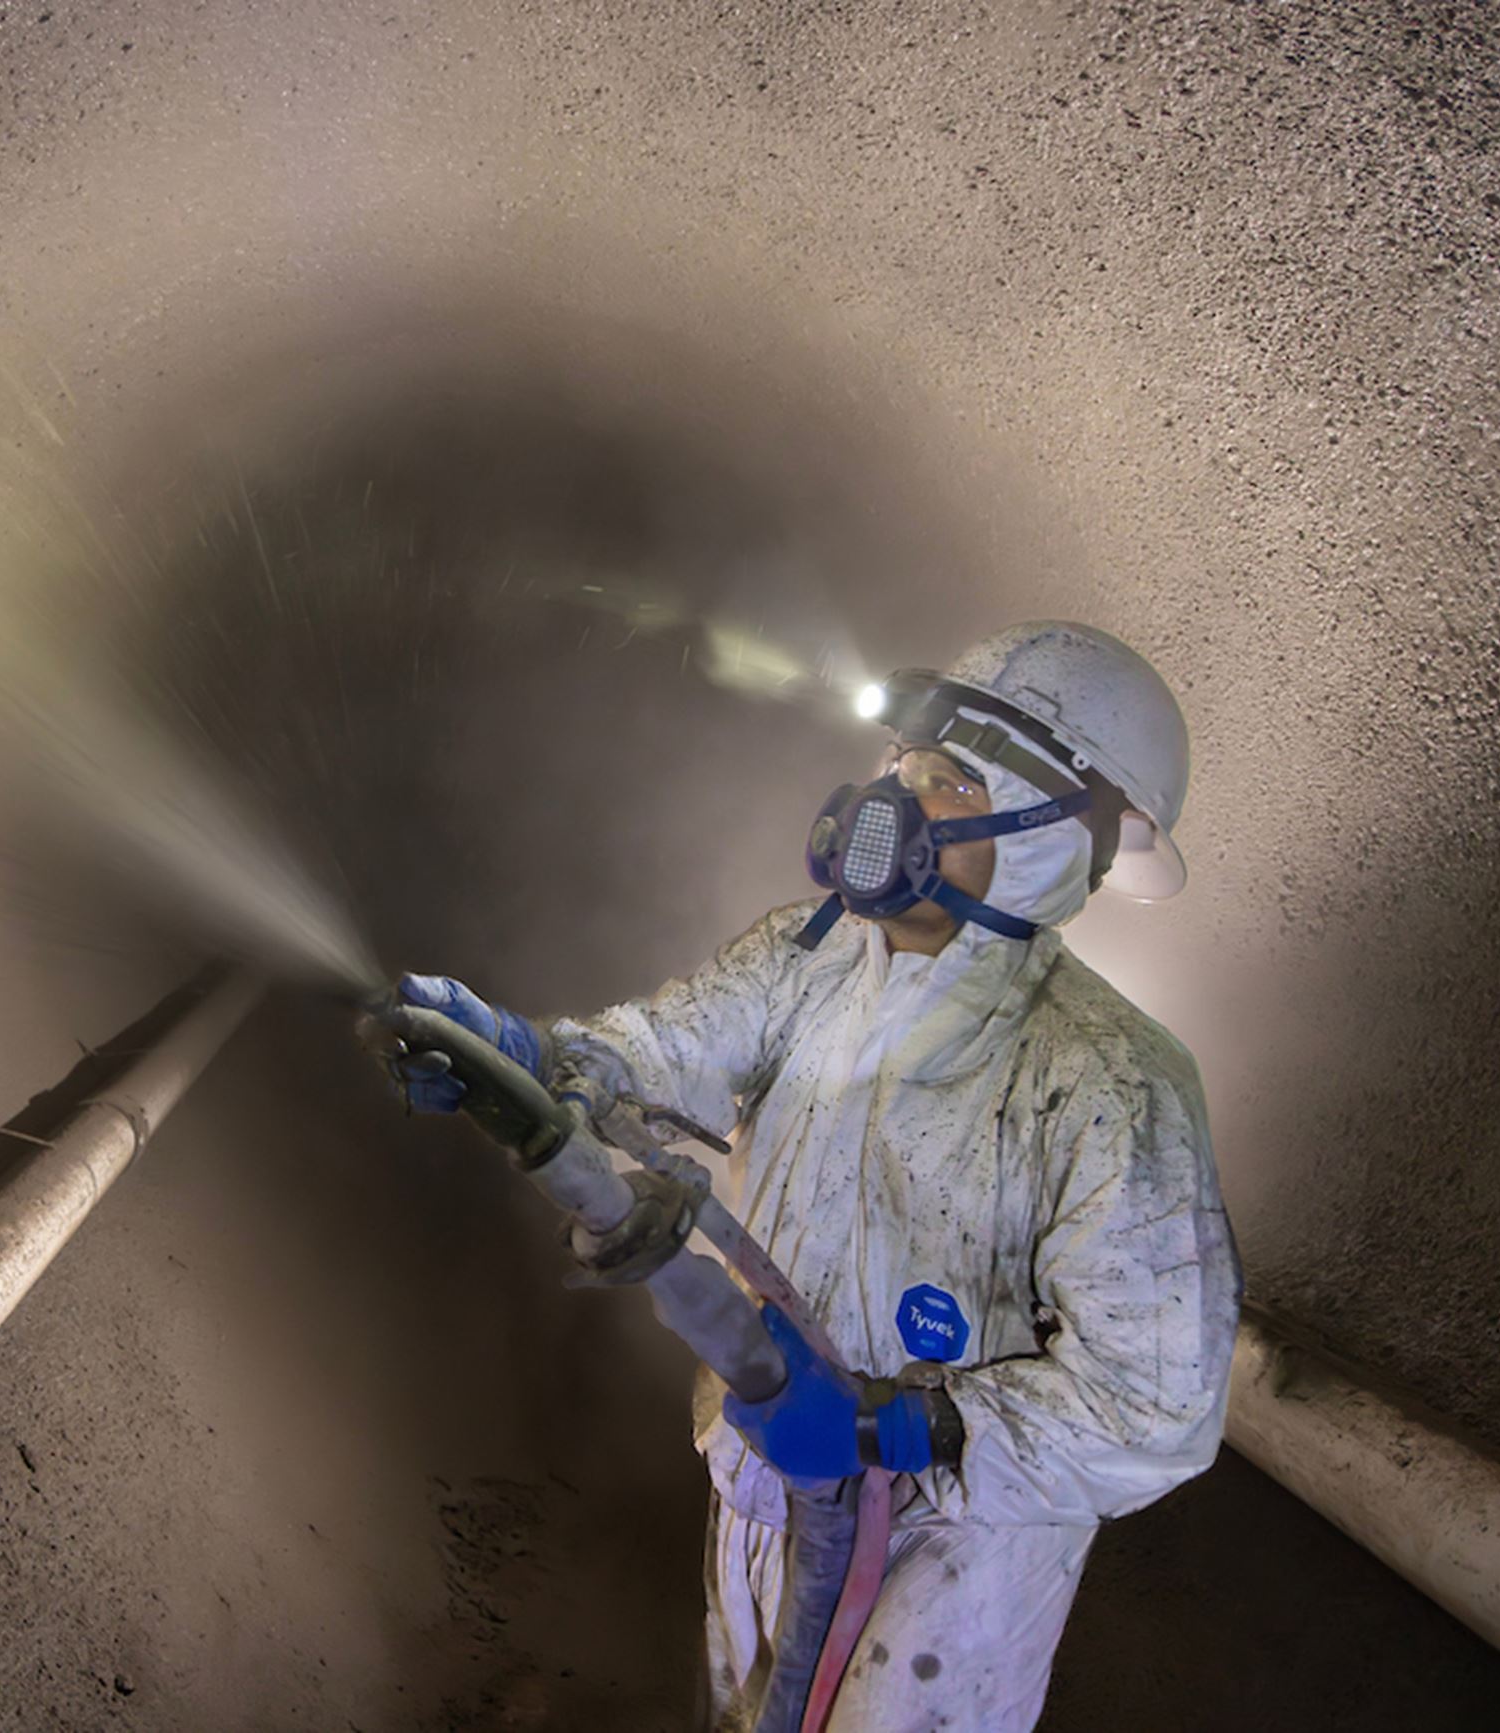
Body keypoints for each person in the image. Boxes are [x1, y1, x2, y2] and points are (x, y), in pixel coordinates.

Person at [392, 621, 1241, 1732]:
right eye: (900, 764)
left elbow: (1154, 1405)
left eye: (940, 781)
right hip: (761, 1471)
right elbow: (664, 1046)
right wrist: (533, 1056)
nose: (886, 798)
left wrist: (903, 1428)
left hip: (955, 1544)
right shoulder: (807, 954)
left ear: (1043, 837)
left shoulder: (1111, 1078)